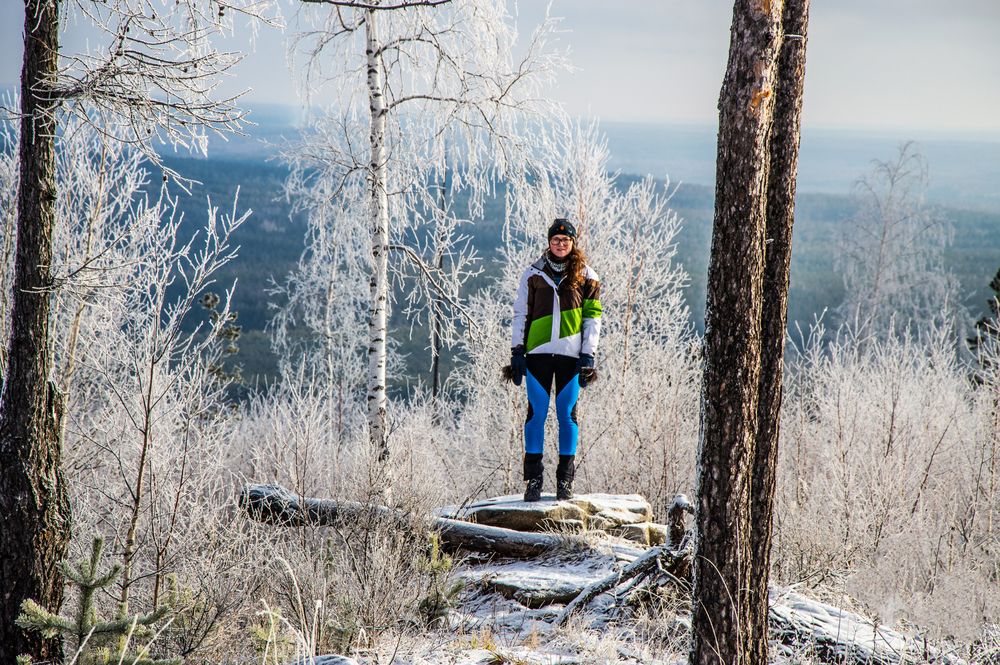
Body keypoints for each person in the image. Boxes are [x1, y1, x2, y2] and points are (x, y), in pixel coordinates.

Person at [509, 218, 602, 502]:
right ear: (549, 242)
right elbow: (520, 314)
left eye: (565, 240)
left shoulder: (588, 277)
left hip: (570, 357)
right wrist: (517, 351)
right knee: (535, 415)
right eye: (555, 240)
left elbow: (593, 319)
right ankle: (533, 481)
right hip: (537, 354)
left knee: (567, 416)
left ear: (573, 243)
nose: (560, 244)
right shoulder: (532, 274)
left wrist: (588, 354)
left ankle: (565, 481)